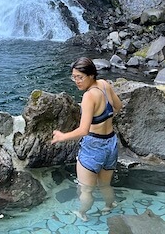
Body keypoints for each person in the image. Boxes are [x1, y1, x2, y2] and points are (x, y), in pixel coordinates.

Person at [51, 57, 123, 221]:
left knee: (86, 190)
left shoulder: (89, 97)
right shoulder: (105, 85)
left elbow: (83, 131)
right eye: (74, 77)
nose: (76, 81)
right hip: (111, 142)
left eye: (80, 77)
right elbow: (118, 107)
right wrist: (105, 119)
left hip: (93, 146)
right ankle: (110, 205)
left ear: (91, 75)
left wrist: (63, 136)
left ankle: (82, 213)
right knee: (105, 184)